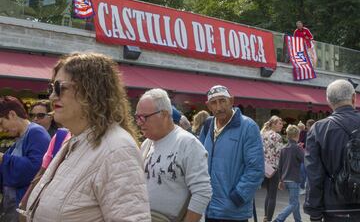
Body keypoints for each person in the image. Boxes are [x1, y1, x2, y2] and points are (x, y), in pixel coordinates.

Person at [24, 52, 151, 221]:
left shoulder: (117, 150)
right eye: (51, 88)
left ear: (91, 90)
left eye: (59, 87)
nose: (52, 96)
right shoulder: (75, 139)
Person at [137, 88, 212, 222]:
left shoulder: (188, 143)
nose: (139, 122)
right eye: (137, 117)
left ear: (165, 115)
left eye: (144, 117)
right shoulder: (146, 144)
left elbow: (202, 192)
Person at [199, 85, 264, 222]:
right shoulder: (207, 125)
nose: (218, 107)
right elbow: (198, 161)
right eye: (214, 103)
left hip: (233, 211)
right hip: (209, 208)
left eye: (222, 101)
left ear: (232, 100)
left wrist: (238, 197)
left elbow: (256, 169)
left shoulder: (248, 126)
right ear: (208, 106)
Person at [304, 79, 360, 222]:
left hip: (335, 208)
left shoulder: (318, 129)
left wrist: (314, 212)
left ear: (329, 101)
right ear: (354, 97)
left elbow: (314, 176)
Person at [0, 96, 50, 222]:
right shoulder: (22, 136)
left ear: (12, 114)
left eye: (1, 123)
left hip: (23, 206)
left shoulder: (36, 133)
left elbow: (36, 169)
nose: (1, 129)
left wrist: (3, 159)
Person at [273, 125, 304, 222]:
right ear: (297, 135)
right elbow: (304, 160)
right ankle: (279, 219)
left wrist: (280, 181)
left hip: (285, 178)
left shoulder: (283, 148)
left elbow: (280, 166)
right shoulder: (297, 148)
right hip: (294, 179)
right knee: (294, 203)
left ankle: (298, 220)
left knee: (295, 202)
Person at [261, 115, 284, 222]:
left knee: (268, 194)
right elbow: (279, 154)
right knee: (272, 195)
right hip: (274, 168)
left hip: (264, 167)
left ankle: (266, 216)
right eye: (280, 123)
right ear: (274, 124)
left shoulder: (262, 134)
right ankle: (268, 218)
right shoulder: (277, 136)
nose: (282, 125)